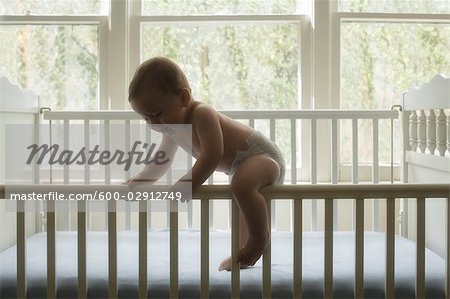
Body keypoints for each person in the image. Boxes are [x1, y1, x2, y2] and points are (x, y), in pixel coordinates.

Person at [125, 56, 285, 271]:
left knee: (240, 185)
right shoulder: (171, 127)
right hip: (242, 165)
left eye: (157, 114)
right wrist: (144, 178)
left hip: (264, 157)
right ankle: (244, 253)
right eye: (146, 118)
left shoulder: (202, 113)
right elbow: (163, 157)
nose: (154, 123)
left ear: (183, 97)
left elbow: (212, 154)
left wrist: (189, 183)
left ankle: (259, 240)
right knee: (240, 197)